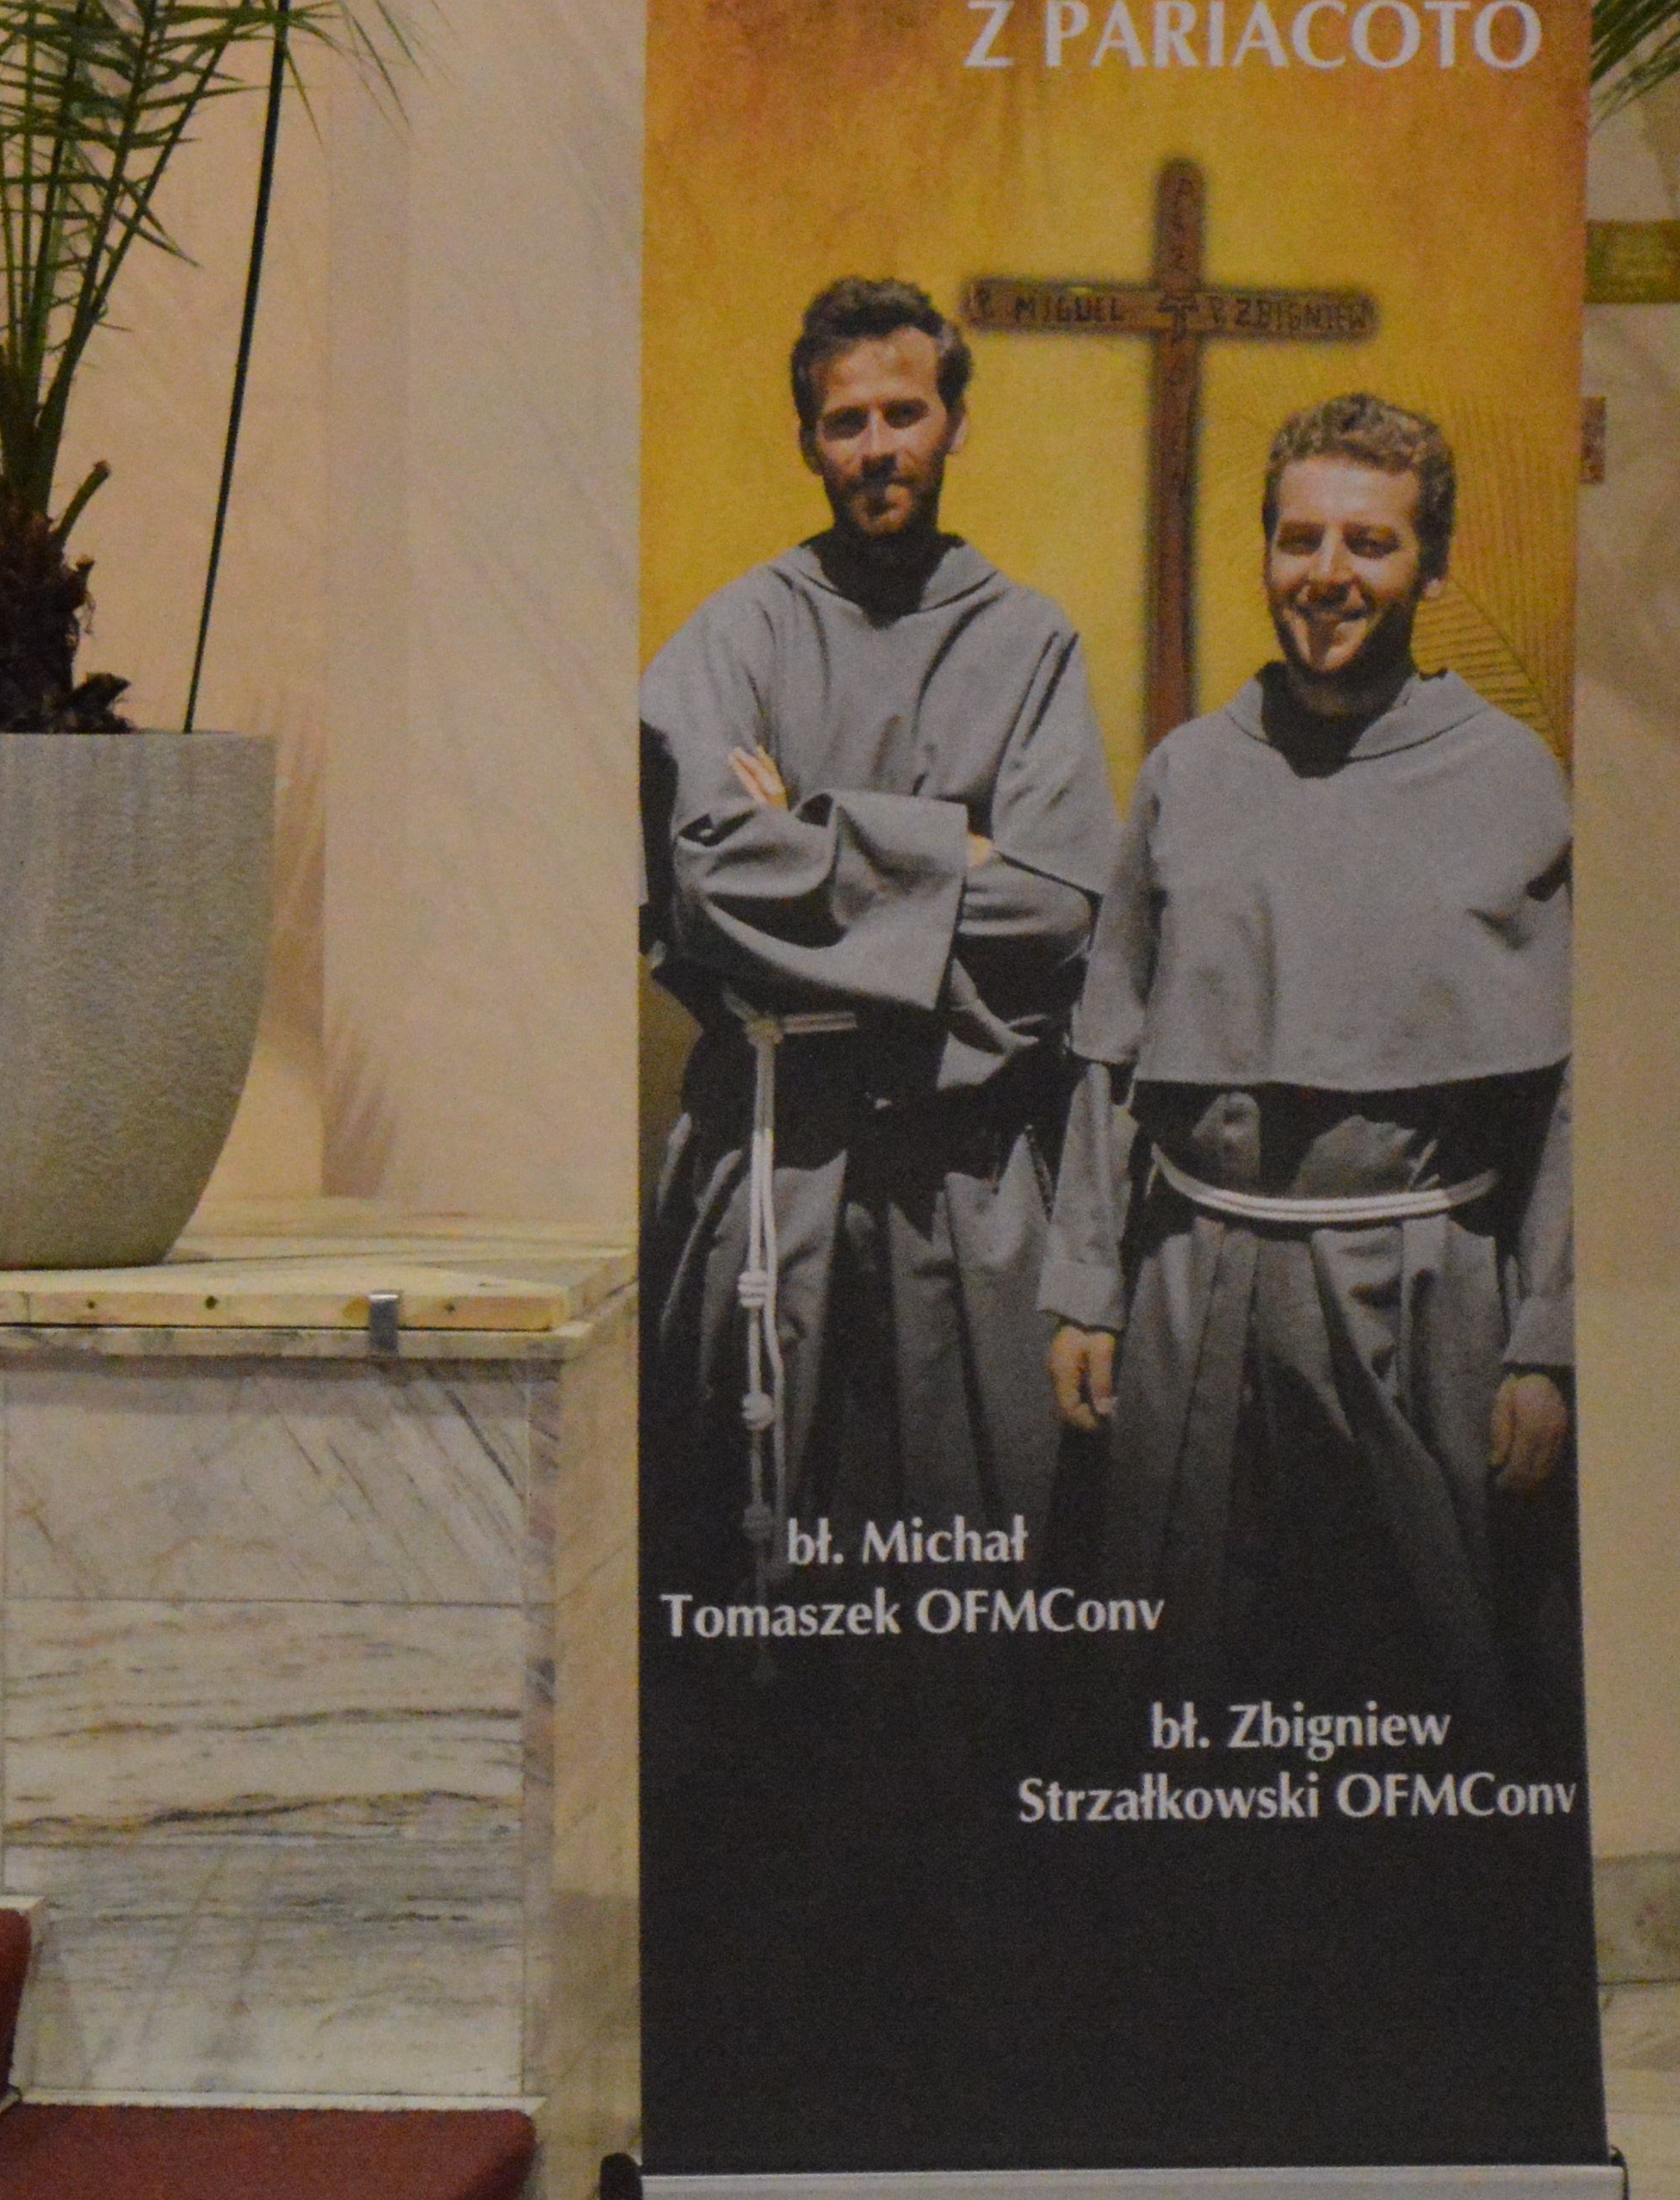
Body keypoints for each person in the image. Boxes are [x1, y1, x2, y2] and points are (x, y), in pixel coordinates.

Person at [1038, 392, 1576, 1757]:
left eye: (1370, 544)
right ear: (1267, 551)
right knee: (1177, 1680)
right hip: (1197, 1283)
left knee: (1422, 1686)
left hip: (1423, 1294)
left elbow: (1565, 1100)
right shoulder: (1187, 773)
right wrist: (1089, 1284)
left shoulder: (1513, 779)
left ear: (1430, 567)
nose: (1327, 575)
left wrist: (1546, 1344)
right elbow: (1111, 1053)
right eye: (1300, 539)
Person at [641, 280, 1118, 1584]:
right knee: (754, 1570)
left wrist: (816, 830)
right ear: (808, 442)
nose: (876, 447)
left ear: (955, 422)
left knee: (974, 1562)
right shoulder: (738, 634)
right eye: (845, 422)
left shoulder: (1029, 643)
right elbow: (708, 877)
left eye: (903, 413)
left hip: (966, 1174)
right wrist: (952, 848)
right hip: (774, 1156)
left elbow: (1059, 908)